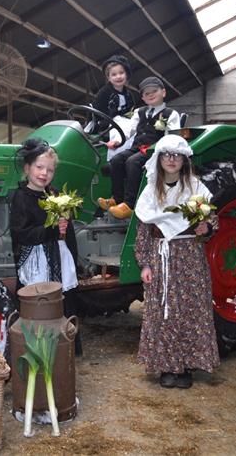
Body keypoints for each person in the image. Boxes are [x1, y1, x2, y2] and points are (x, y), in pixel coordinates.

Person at [133, 134, 219, 389]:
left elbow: (212, 220)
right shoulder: (151, 191)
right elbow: (143, 230)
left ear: (184, 160)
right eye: (167, 155)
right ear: (159, 159)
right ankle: (167, 366)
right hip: (161, 257)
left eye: (177, 155)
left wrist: (206, 228)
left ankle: (187, 366)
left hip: (190, 257)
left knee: (191, 309)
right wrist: (145, 264)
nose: (171, 160)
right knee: (164, 311)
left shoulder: (196, 188)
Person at [10, 138, 82, 355]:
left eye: (50, 170)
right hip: (37, 262)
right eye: (39, 167)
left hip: (59, 256)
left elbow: (67, 233)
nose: (44, 173)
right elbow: (21, 234)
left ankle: (63, 349)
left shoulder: (56, 194)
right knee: (40, 302)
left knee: (63, 298)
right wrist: (51, 230)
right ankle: (39, 350)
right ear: (27, 168)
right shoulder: (21, 197)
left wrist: (67, 238)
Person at [100, 76, 181, 219]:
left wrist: (164, 151)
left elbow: (173, 137)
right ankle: (117, 199)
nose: (150, 95)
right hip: (137, 147)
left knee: (132, 162)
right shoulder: (139, 112)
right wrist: (117, 141)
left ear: (163, 92)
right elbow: (129, 130)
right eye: (146, 93)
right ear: (143, 97)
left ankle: (129, 205)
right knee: (116, 160)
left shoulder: (171, 114)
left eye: (154, 91)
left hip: (156, 151)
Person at [92, 55, 136, 163]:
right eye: (114, 74)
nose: (118, 77)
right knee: (121, 126)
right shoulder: (104, 92)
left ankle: (130, 155)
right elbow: (97, 110)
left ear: (126, 74)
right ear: (109, 77)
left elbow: (130, 111)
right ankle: (114, 158)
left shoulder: (129, 95)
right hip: (107, 123)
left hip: (124, 121)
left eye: (121, 73)